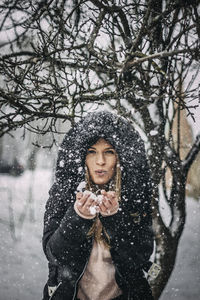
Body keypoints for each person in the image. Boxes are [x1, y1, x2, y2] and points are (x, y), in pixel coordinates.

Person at [42, 111, 154, 300]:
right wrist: (78, 216)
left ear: (120, 157)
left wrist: (115, 218)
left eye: (109, 152)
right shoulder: (64, 193)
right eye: (91, 152)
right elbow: (54, 253)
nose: (100, 161)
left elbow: (139, 257)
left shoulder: (134, 195)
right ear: (81, 157)